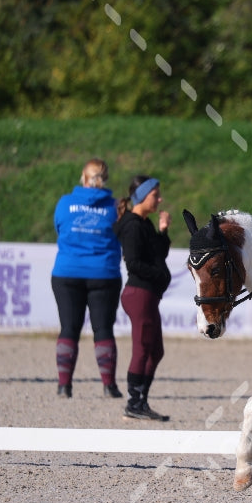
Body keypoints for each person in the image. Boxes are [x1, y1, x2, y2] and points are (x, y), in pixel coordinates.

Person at [51, 158, 123, 399]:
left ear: (83, 177)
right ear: (105, 179)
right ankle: (109, 386)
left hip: (66, 272)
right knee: (103, 330)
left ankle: (64, 386)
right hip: (104, 274)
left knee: (68, 328)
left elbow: (59, 229)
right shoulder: (115, 207)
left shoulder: (64, 203)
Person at [114, 175, 172, 421]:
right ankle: (133, 402)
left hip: (148, 295)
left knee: (155, 351)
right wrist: (160, 275)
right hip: (139, 294)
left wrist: (163, 231)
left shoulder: (145, 224)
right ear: (141, 197)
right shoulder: (132, 225)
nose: (159, 199)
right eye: (155, 195)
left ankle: (141, 401)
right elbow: (134, 263)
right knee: (142, 350)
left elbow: (159, 253)